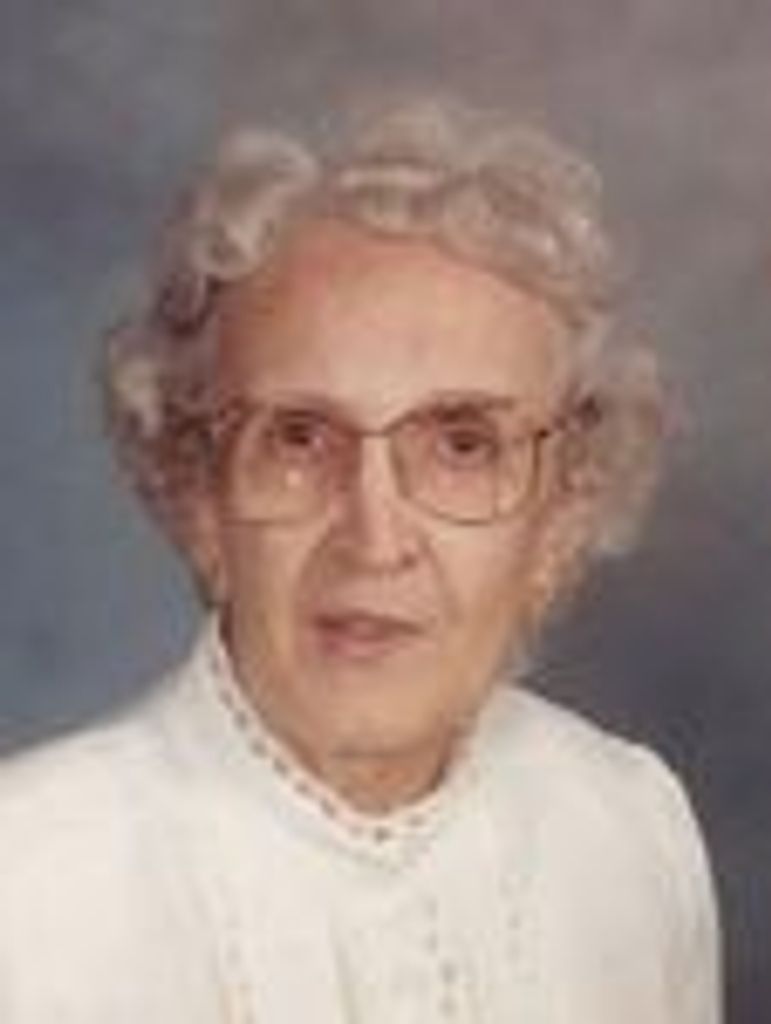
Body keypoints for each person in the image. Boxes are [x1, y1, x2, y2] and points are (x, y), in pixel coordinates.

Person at [0, 98, 721, 1022]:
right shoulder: (27, 886)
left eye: (462, 443)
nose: (374, 539)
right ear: (197, 495)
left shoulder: (631, 829)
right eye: (299, 437)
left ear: (562, 516)